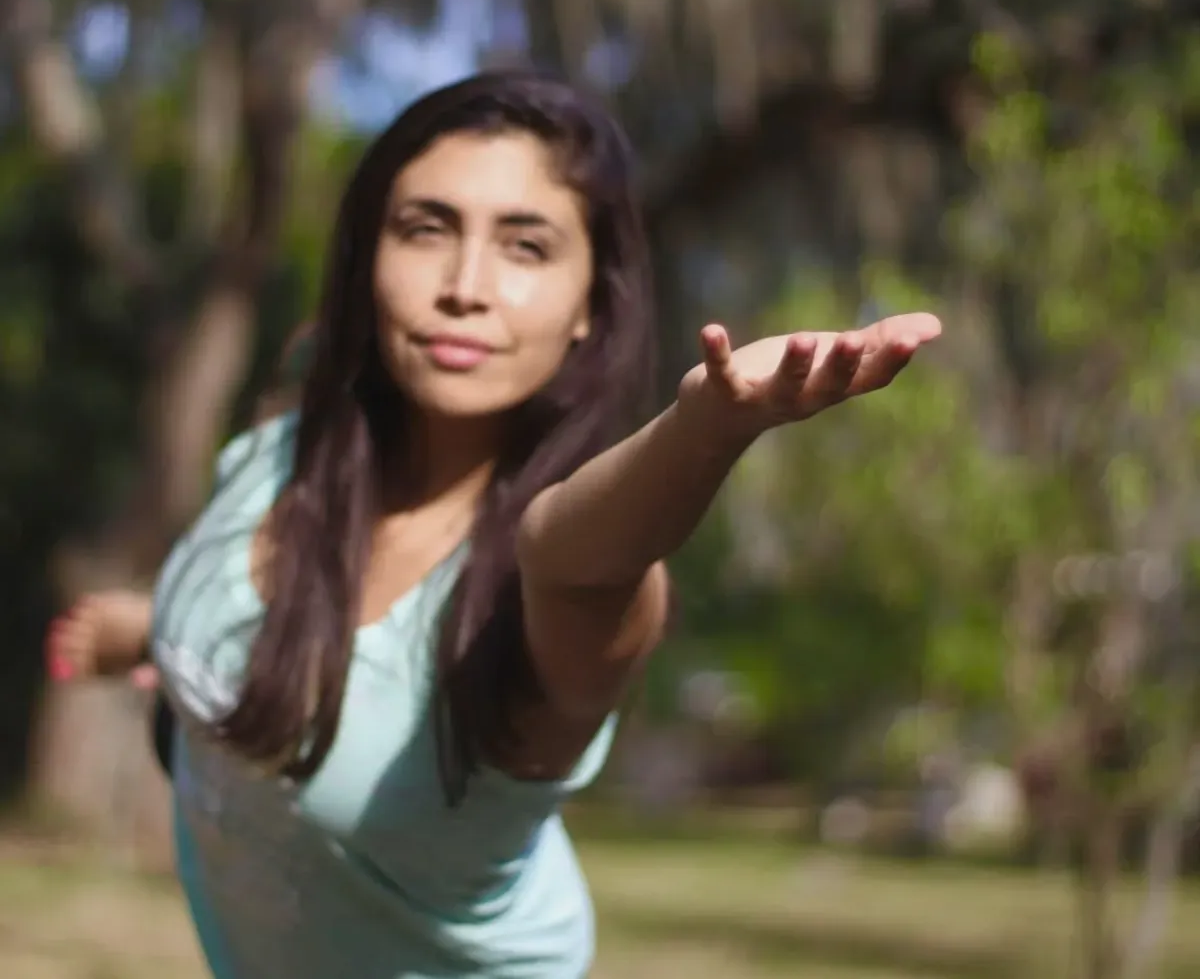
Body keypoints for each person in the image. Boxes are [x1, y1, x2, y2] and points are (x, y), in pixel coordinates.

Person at [45, 70, 940, 978]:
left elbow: (574, 560)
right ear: (368, 257)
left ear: (591, 303)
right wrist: (147, 626)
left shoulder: (568, 587)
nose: (465, 286)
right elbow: (272, 613)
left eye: (526, 246)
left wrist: (705, 427)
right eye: (426, 229)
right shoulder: (281, 448)